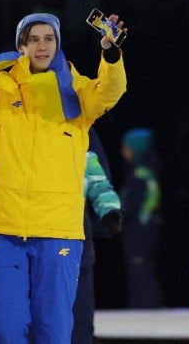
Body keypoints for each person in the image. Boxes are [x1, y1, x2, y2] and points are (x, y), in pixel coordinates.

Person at [0, 0, 127, 344]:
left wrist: (111, 53)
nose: (42, 46)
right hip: (5, 229)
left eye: (48, 38)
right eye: (33, 39)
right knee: (5, 329)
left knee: (54, 332)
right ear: (21, 47)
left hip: (58, 231)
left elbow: (111, 91)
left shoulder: (80, 93)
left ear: (58, 43)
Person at [72, 127, 123, 344]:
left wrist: (109, 211)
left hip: (77, 243)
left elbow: (96, 177)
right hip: (37, 244)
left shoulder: (79, 126)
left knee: (80, 319)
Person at [120, 127, 163, 308]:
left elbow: (130, 205)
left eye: (126, 146)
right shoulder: (150, 171)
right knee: (144, 267)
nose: (123, 150)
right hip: (149, 226)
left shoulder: (139, 175)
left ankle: (145, 306)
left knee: (140, 269)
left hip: (140, 229)